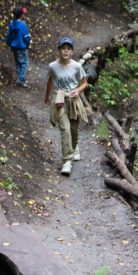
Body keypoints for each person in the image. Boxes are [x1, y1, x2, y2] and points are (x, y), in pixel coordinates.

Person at [44, 37, 86, 175]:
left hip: (73, 101)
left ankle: (75, 147)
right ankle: (67, 161)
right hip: (59, 99)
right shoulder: (53, 66)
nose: (66, 51)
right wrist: (47, 96)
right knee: (65, 130)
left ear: (72, 51)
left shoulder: (76, 66)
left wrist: (77, 91)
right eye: (63, 48)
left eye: (68, 49)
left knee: (74, 129)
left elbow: (84, 83)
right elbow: (50, 81)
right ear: (59, 50)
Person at [6, 7, 31, 87]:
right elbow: (26, 37)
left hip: (14, 47)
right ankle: (21, 79)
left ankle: (20, 78)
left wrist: (10, 44)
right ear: (22, 15)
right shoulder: (23, 25)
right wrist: (27, 45)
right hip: (21, 47)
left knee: (18, 62)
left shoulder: (11, 24)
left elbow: (9, 36)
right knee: (25, 63)